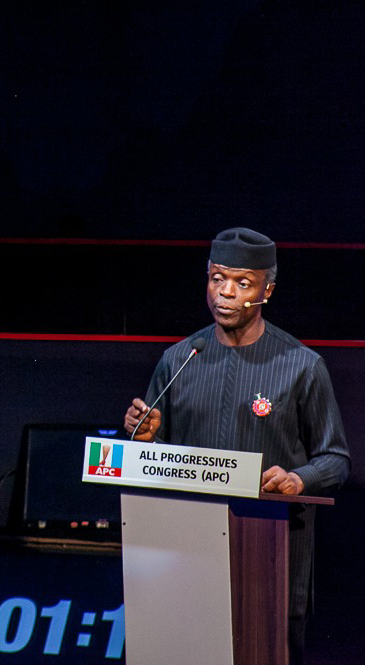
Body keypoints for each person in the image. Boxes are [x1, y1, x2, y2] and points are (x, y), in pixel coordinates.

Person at [123, 227, 351, 664]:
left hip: (268, 563)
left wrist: (298, 478)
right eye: (216, 278)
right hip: (186, 556)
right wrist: (142, 436)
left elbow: (336, 459)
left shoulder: (301, 366)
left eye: (242, 283)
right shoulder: (179, 358)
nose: (225, 293)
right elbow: (154, 455)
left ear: (267, 289)